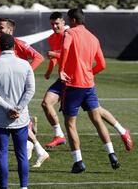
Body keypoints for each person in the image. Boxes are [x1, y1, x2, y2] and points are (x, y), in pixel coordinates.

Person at [43, 12, 133, 151]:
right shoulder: (51, 38)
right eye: (52, 24)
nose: (54, 26)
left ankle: (121, 131)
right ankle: (59, 135)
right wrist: (49, 71)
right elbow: (55, 58)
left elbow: (70, 54)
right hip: (65, 79)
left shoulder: (70, 34)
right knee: (46, 103)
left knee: (96, 111)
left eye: (57, 23)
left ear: (64, 22)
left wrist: (56, 56)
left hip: (75, 80)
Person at [59, 8, 120, 173]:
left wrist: (62, 69)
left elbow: (64, 49)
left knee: (70, 123)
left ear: (72, 20)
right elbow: (102, 64)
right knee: (97, 120)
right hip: (89, 86)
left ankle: (78, 162)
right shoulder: (94, 38)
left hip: (73, 86)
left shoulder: (70, 33)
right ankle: (112, 154)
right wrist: (88, 73)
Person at [0, 17, 48, 167]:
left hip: (17, 87)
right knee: (14, 119)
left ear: (10, 30)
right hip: (7, 86)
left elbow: (38, 57)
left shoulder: (18, 43)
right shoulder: (0, 44)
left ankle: (38, 149)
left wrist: (26, 73)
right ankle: (34, 147)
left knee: (13, 118)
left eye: (1, 28)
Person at [0, 33, 34, 189]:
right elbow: (30, 90)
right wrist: (18, 108)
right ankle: (24, 187)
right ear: (14, 46)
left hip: (1, 117)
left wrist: (7, 107)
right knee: (21, 154)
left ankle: (4, 187)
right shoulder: (25, 65)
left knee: (1, 153)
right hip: (21, 117)